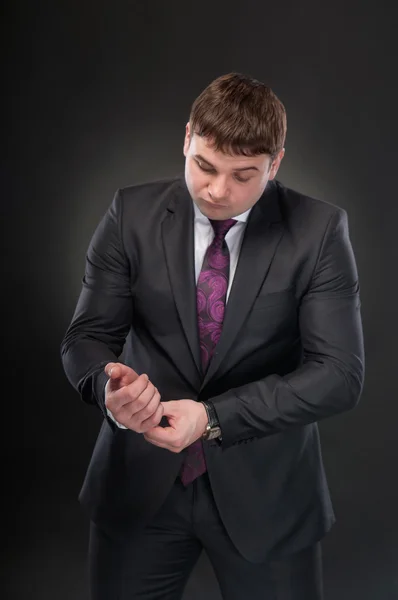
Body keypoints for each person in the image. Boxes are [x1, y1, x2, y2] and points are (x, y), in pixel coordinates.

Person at [61, 72, 364, 600]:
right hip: (138, 487)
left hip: (267, 497)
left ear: (277, 163)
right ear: (186, 140)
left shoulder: (319, 232)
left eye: (244, 175)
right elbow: (86, 337)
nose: (218, 190)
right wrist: (108, 391)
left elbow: (339, 375)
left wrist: (214, 418)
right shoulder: (130, 214)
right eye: (204, 165)